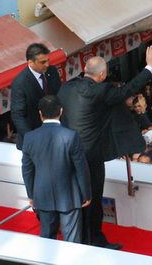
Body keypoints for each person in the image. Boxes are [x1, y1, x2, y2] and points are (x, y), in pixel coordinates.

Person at [58, 45, 152, 249]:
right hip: (90, 157)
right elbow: (128, 90)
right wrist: (149, 67)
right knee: (92, 201)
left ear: (85, 69)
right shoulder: (103, 91)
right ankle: (93, 241)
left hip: (66, 152)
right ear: (102, 74)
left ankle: (75, 238)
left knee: (75, 198)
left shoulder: (66, 88)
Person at [21, 95, 91, 243]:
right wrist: (86, 193)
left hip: (42, 194)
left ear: (40, 113)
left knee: (47, 241)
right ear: (61, 111)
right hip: (69, 196)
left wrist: (31, 195)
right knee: (71, 242)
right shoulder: (71, 136)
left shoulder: (29, 137)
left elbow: (27, 170)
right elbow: (81, 168)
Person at [10, 43, 62, 150]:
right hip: (33, 138)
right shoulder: (20, 83)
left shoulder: (52, 71)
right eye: (43, 62)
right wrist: (33, 139)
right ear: (30, 62)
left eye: (48, 60)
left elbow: (59, 97)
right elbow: (18, 115)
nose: (47, 64)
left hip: (54, 134)